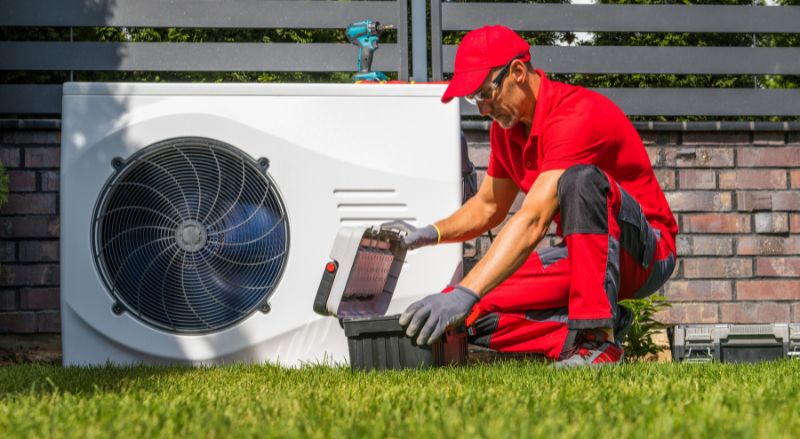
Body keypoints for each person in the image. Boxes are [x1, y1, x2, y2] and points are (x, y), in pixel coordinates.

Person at [382, 25, 677, 367]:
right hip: (584, 256)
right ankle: (587, 334)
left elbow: (534, 218)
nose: (481, 109)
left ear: (518, 72)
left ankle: (596, 341)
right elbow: (488, 206)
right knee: (469, 314)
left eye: (485, 94)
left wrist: (467, 290)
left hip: (645, 253)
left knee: (580, 180)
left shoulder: (575, 115)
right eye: (473, 99)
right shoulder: (506, 130)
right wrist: (430, 234)